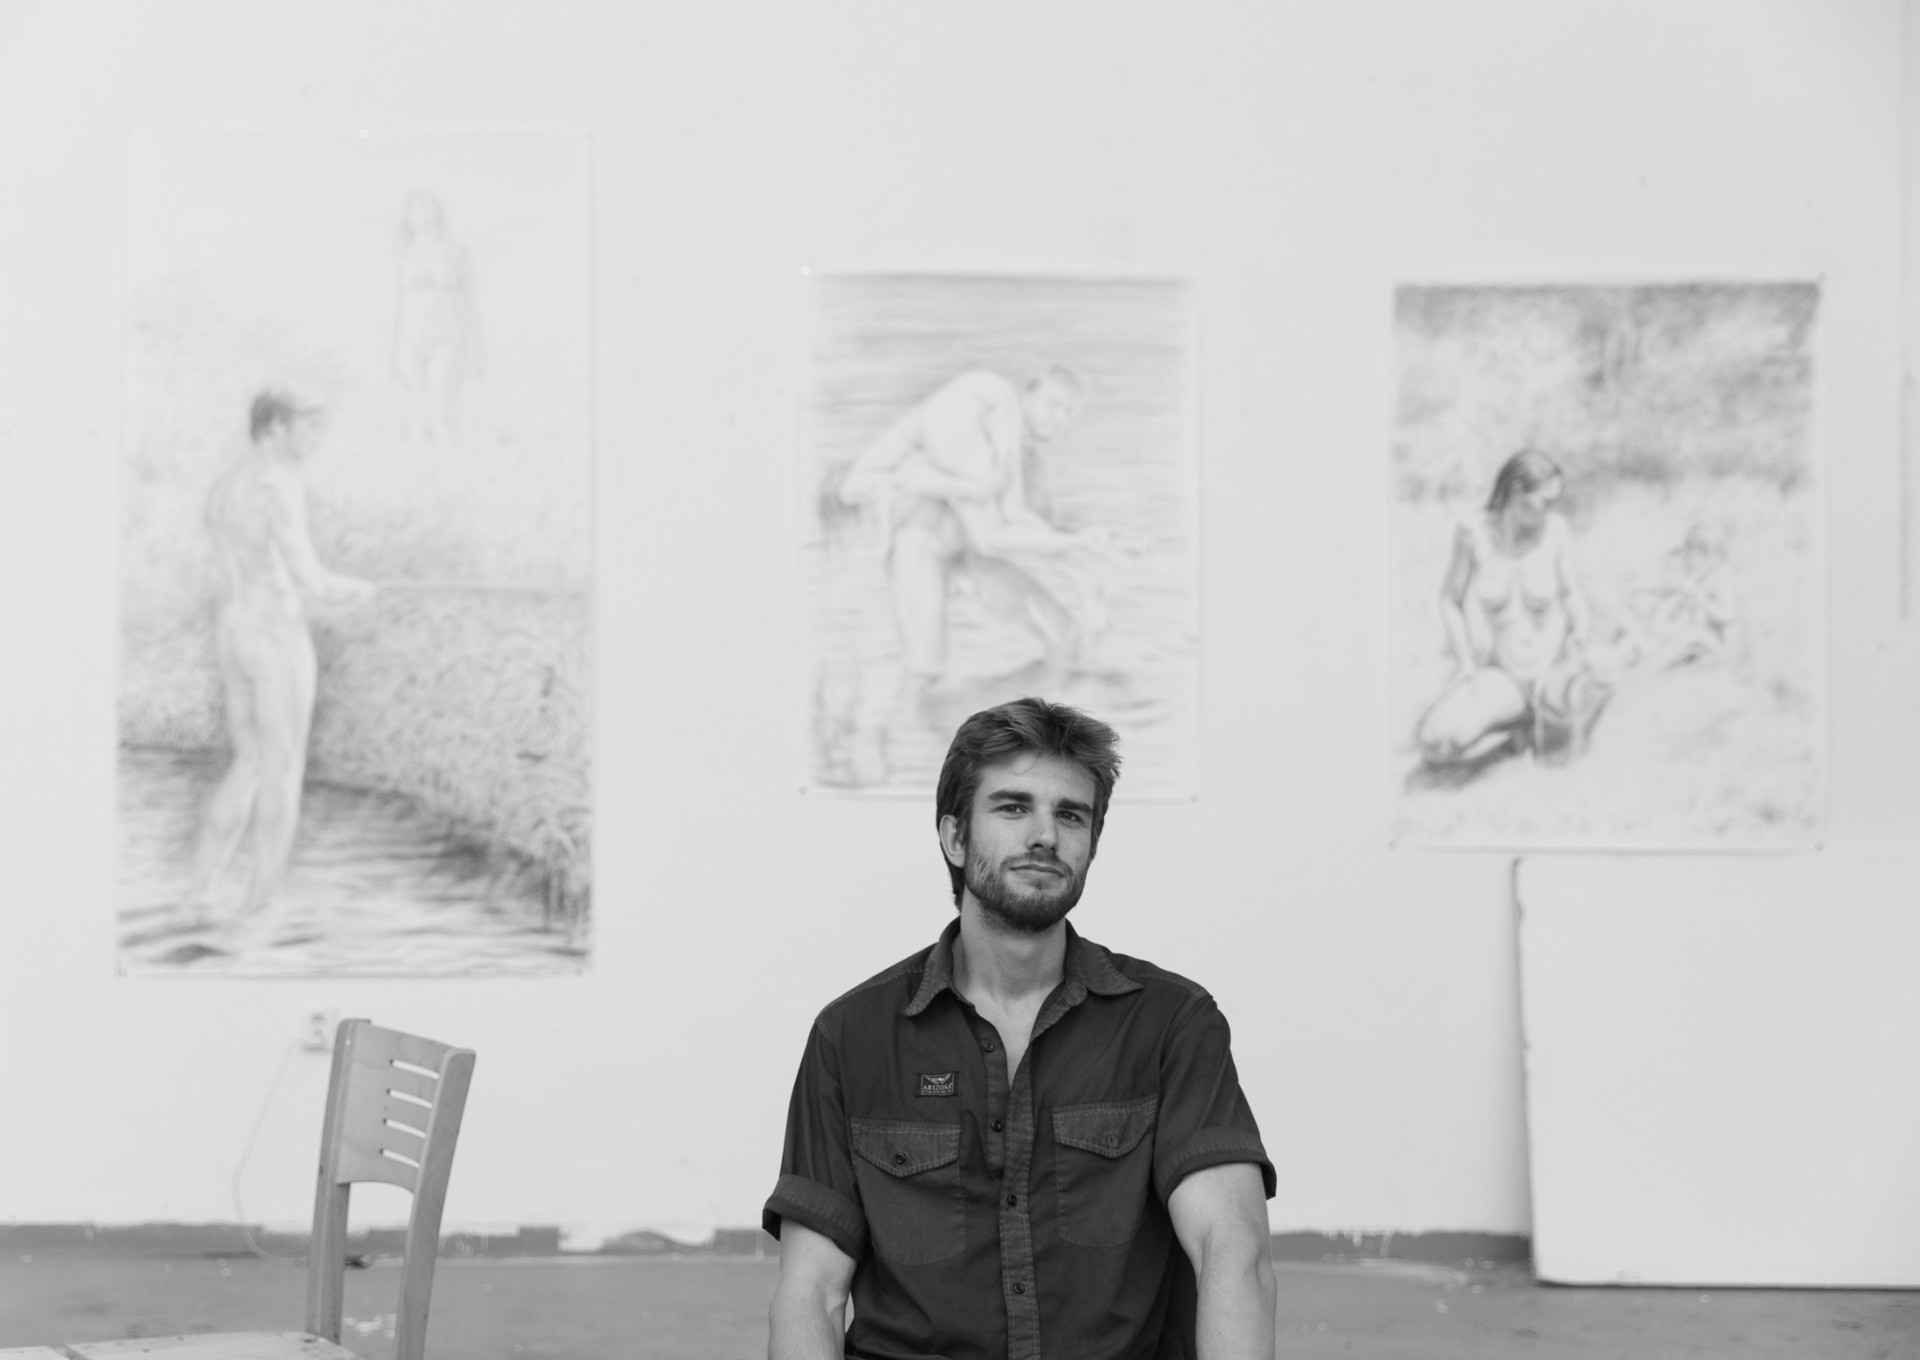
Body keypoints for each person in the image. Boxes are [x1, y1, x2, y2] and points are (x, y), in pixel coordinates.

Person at [765, 698, 1276, 1360]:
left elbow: (1231, 1250)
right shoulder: (852, 1037)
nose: (1045, 836)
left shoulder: (1171, 1024)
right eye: (1013, 808)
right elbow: (812, 1291)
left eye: (1071, 815)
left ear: (1092, 843)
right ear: (955, 838)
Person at [185, 387, 376, 922]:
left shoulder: (225, 489)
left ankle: (200, 894)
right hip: (274, 634)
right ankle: (260, 907)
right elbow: (310, 578)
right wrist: (360, 591)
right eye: (307, 426)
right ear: (274, 426)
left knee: (248, 761)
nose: (315, 438)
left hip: (233, 631)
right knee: (284, 768)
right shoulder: (278, 485)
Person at [836, 369, 1112, 729]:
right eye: (1053, 404)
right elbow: (992, 536)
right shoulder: (990, 404)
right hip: (925, 545)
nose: (1058, 419)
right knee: (924, 668)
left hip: (971, 555)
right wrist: (1080, 545)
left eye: (1068, 412)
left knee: (1064, 632)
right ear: (1028, 394)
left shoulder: (1024, 462)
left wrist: (1082, 577)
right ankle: (912, 743)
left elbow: (1030, 531)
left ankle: (1027, 731)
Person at [1415, 448, 1607, 772]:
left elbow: (1571, 593)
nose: (1549, 510)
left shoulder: (1555, 531)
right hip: (1504, 678)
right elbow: (1449, 599)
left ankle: (1547, 724)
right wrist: (1465, 663)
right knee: (1438, 740)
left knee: (1603, 673)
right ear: (1517, 493)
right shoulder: (1472, 533)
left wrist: (1581, 629)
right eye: (1544, 501)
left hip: (1551, 672)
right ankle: (1520, 726)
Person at [392, 191, 484, 447]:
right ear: (407, 217)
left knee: (439, 410)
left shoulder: (457, 253)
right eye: (414, 208)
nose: (420, 213)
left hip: (447, 335)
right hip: (410, 339)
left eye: (426, 206)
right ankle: (417, 467)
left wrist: (479, 350)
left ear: (437, 212)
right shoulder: (402, 255)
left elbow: (471, 303)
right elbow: (394, 307)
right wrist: (390, 353)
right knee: (416, 410)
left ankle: (451, 463)